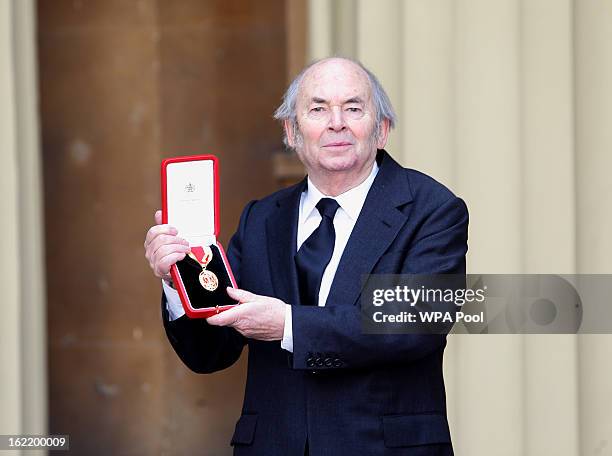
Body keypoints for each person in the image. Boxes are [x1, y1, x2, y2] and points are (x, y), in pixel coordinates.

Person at [144, 57, 468, 455]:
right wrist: (177, 280)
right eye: (317, 109)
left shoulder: (433, 209)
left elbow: (413, 323)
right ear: (292, 132)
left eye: (353, 108)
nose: (336, 123)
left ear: (381, 130)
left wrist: (288, 325)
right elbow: (211, 353)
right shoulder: (261, 219)